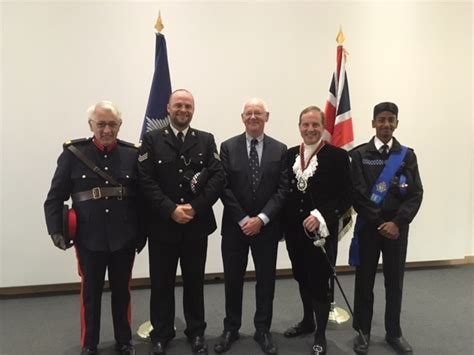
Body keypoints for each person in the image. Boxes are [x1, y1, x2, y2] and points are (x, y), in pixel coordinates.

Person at [44, 101, 145, 355]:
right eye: (101, 124)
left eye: (112, 124)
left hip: (124, 237)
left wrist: (141, 233)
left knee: (122, 293)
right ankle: (89, 344)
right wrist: (56, 230)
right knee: (90, 294)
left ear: (120, 125)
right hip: (89, 239)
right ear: (91, 125)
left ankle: (124, 341)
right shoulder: (73, 154)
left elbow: (142, 199)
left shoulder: (132, 155)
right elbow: (54, 197)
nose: (107, 130)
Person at [138, 89, 225, 355]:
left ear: (193, 110)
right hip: (163, 225)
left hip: (195, 226)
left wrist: (195, 207)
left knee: (194, 281)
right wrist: (170, 209)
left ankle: (196, 332)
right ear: (168, 108)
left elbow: (218, 177)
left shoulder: (206, 140)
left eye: (188, 106)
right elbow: (146, 180)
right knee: (161, 283)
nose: (183, 110)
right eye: (178, 105)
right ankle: (161, 333)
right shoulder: (152, 140)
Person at [215, 98, 288, 355]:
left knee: (265, 282)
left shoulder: (280, 149)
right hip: (236, 228)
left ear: (267, 116)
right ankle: (231, 328)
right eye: (249, 113)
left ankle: (263, 329)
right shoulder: (227, 147)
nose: (254, 117)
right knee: (232, 281)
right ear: (242, 117)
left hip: (266, 229)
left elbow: (283, 189)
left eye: (258, 113)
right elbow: (223, 186)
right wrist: (245, 219)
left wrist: (262, 219)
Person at [350, 102, 423, 354]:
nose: (386, 125)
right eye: (381, 120)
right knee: (364, 282)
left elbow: (415, 194)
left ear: (397, 123)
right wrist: (380, 222)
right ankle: (362, 331)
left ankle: (394, 333)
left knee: (395, 283)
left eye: (391, 120)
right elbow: (357, 195)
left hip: (397, 229)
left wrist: (397, 222)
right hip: (370, 228)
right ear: (373, 123)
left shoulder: (407, 155)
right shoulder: (360, 155)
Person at [281, 106, 352, 355]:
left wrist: (321, 215)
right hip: (294, 233)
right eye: (305, 124)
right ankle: (307, 320)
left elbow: (346, 197)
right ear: (299, 126)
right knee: (302, 277)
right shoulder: (289, 155)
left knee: (320, 283)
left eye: (315, 125)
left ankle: (320, 332)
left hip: (321, 234)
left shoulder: (338, 157)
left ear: (322, 127)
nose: (310, 129)